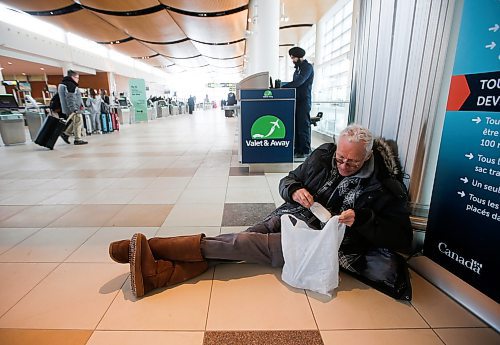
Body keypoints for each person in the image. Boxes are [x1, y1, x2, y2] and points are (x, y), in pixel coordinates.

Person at [108, 124, 412, 298]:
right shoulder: (325, 155)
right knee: (233, 245)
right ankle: (157, 274)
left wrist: (362, 219)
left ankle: (151, 246)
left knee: (240, 244)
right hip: (288, 217)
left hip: (310, 243)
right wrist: (295, 190)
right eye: (341, 159)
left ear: (368, 156)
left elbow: (400, 237)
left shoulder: (383, 187)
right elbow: (287, 180)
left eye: (352, 163)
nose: (343, 166)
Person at [282, 46, 314, 159]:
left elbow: (299, 82)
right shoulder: (298, 69)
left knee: (303, 126)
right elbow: (294, 82)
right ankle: (297, 149)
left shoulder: (307, 67)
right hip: (297, 100)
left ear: (300, 57)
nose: (293, 60)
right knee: (296, 126)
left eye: (294, 57)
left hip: (304, 101)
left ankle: (305, 150)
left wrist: (283, 87)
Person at [58, 70, 88, 145]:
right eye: (77, 78)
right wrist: (74, 109)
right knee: (78, 121)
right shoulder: (70, 85)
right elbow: (70, 98)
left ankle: (66, 134)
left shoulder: (63, 84)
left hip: (68, 108)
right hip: (73, 108)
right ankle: (77, 139)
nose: (78, 80)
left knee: (75, 122)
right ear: (72, 77)